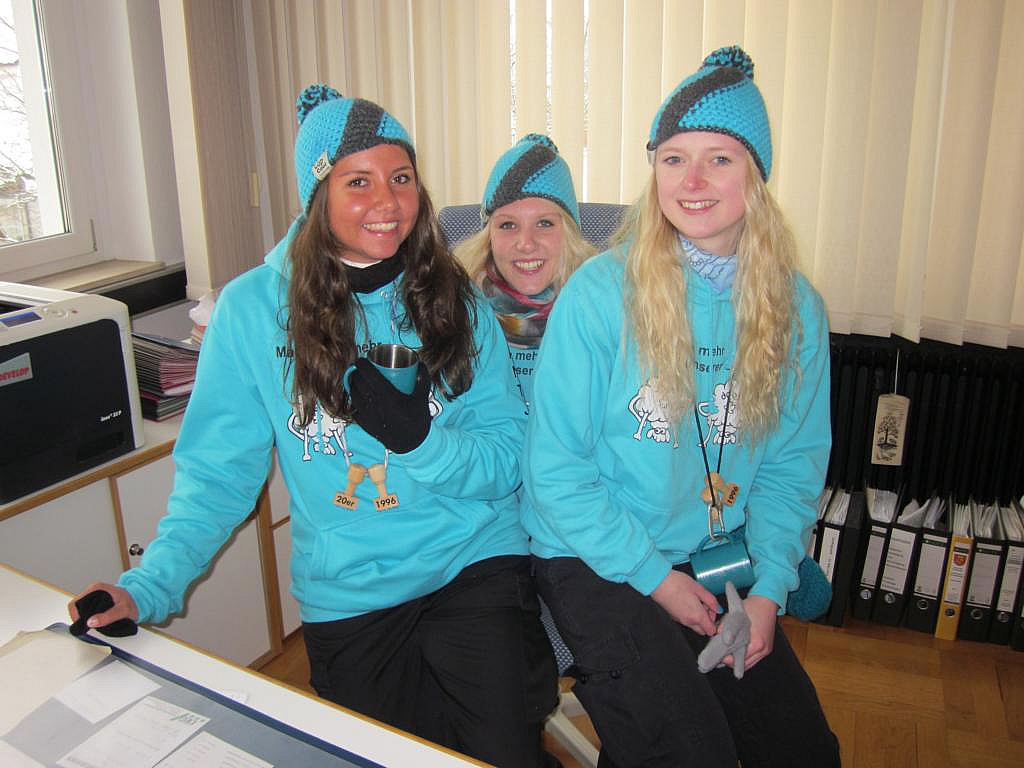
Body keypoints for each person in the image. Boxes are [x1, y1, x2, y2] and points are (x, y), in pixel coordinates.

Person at [69, 84, 557, 768]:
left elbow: (507, 458)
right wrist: (147, 586)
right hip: (351, 588)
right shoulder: (252, 312)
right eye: (358, 182)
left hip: (473, 560)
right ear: (316, 196)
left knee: (502, 752)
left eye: (401, 178)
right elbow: (218, 477)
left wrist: (421, 442)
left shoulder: (455, 298)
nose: (387, 202)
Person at [521, 47, 841, 767]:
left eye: (718, 159)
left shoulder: (796, 308)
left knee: (802, 752)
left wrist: (769, 592)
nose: (692, 182)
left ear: (755, 176)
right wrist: (656, 579)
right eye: (673, 159)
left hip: (714, 553)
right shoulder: (601, 294)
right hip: (593, 551)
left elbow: (791, 468)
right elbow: (557, 473)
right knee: (686, 750)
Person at [456, 133, 594, 407]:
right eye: (508, 225)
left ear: (569, 232)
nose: (526, 244)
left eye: (544, 223)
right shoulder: (456, 311)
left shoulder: (601, 312)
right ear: (488, 236)